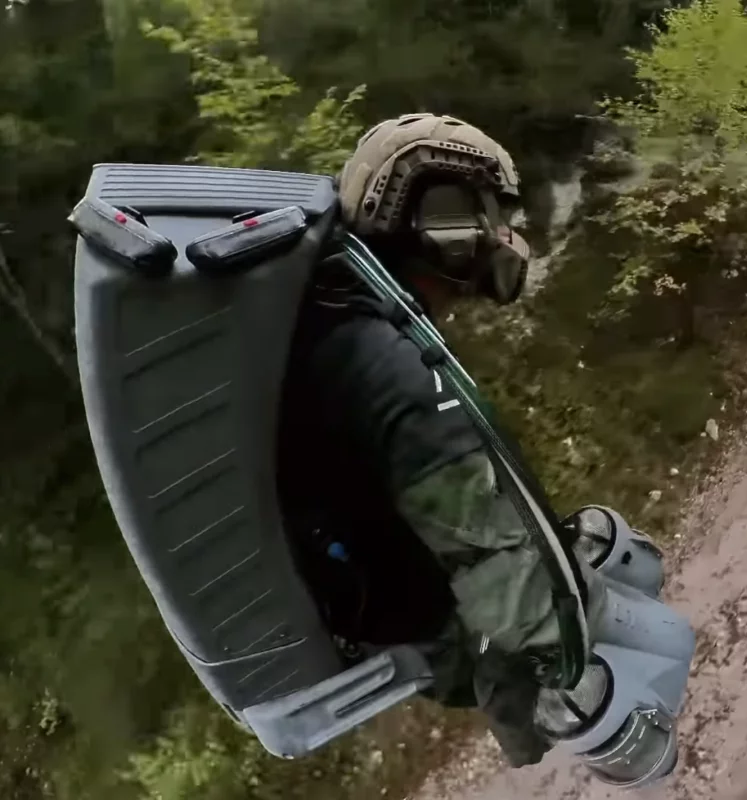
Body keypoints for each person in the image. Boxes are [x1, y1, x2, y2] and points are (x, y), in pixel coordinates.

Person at [276, 113, 594, 767]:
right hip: (427, 626)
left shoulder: (341, 319)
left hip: (383, 600)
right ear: (441, 217)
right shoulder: (391, 369)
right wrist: (564, 664)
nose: (502, 234)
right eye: (487, 211)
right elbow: (497, 576)